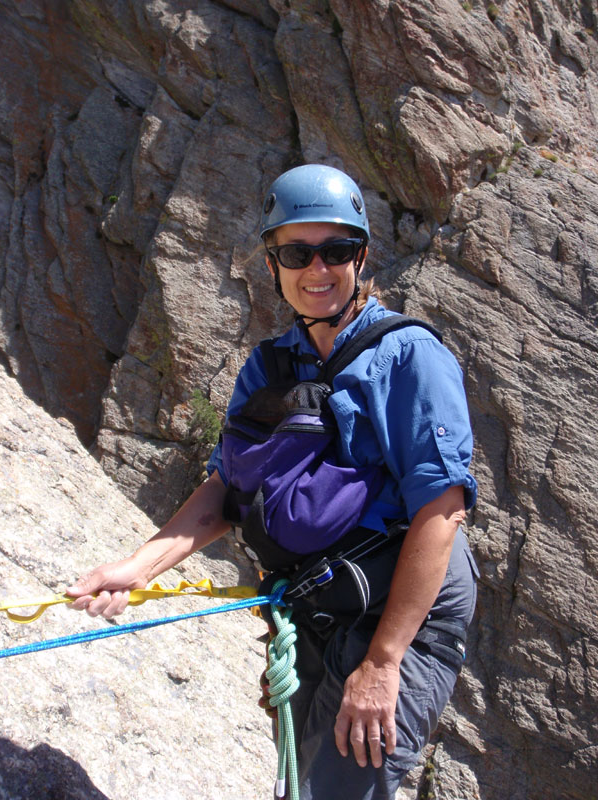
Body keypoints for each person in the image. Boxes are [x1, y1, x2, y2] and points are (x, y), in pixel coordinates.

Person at [68, 164, 479, 799]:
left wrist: (382, 664)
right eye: (297, 252)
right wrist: (140, 566)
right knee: (299, 784)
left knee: (333, 790)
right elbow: (226, 492)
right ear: (273, 264)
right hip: (322, 605)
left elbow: (441, 511)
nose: (318, 270)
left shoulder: (406, 356)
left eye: (336, 250)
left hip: (403, 613)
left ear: (361, 256)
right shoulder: (268, 368)